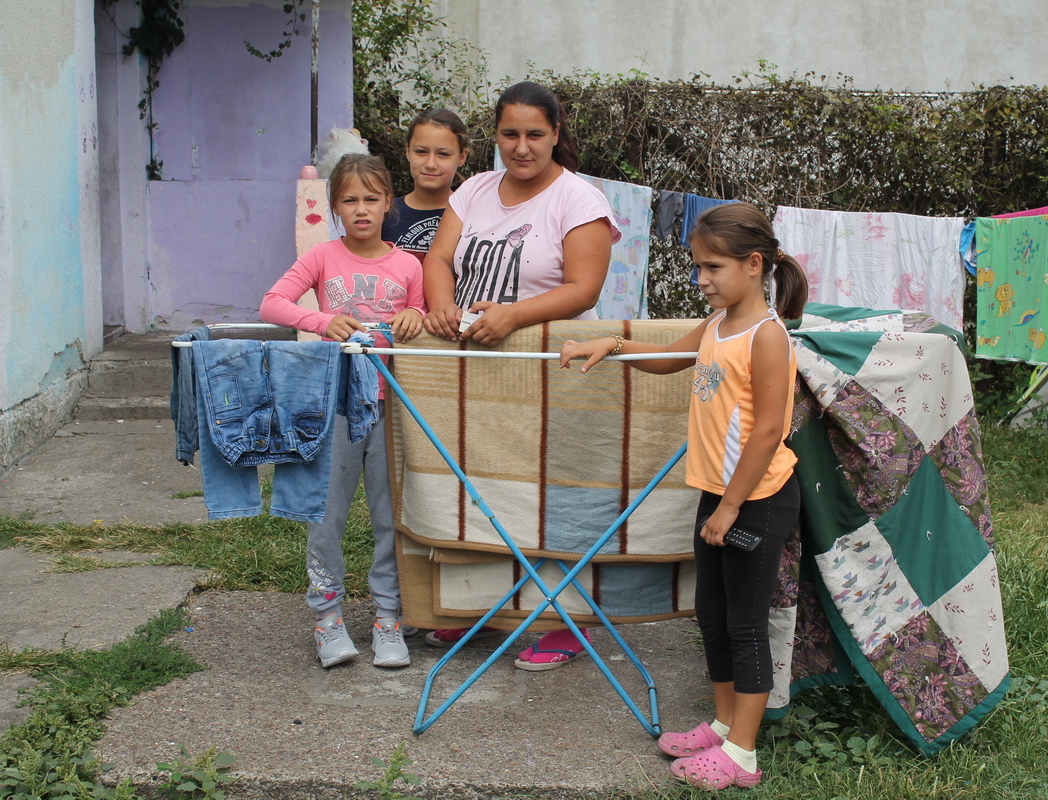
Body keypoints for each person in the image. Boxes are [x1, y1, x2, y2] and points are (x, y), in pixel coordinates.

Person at [560, 202, 807, 790]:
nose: (701, 279)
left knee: (746, 623)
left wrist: (730, 508)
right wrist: (612, 345)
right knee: (713, 616)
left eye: (713, 267)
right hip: (717, 493)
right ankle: (723, 725)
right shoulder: (718, 325)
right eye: (698, 266)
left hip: (757, 498)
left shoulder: (767, 337)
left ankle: (742, 753)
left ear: (754, 264)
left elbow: (768, 432)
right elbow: (670, 357)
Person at [421, 80, 620, 668]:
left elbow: (584, 288)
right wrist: (442, 304)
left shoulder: (578, 200)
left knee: (555, 496)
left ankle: (565, 623)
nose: (522, 146)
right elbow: (438, 258)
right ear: (495, 135)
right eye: (510, 134)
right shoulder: (475, 190)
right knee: (483, 490)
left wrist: (513, 315)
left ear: (556, 134)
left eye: (535, 134)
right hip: (476, 371)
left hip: (554, 370)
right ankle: (482, 608)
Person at [260, 153, 426, 669]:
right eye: (349, 200)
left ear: (388, 203)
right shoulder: (322, 257)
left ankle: (389, 618)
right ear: (335, 207)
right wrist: (320, 320)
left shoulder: (409, 265)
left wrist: (415, 315)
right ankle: (327, 617)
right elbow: (272, 303)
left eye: (371, 199)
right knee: (326, 514)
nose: (361, 209)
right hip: (332, 406)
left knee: (390, 516)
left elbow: (421, 314)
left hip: (389, 407)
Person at [381, 108, 470, 264]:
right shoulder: (384, 214)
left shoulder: (472, 216)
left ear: (462, 156)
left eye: (443, 154)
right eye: (421, 152)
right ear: (408, 151)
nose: (430, 164)